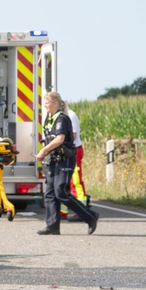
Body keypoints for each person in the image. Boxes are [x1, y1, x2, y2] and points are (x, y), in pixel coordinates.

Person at [34, 92, 98, 236]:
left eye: (47, 102)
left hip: (64, 159)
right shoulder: (49, 118)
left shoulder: (62, 119)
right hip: (53, 159)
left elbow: (60, 139)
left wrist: (43, 151)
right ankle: (52, 226)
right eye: (44, 102)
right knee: (50, 193)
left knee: (61, 192)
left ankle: (90, 216)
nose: (45, 105)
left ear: (56, 103)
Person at [65, 105, 90, 218]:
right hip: (67, 150)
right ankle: (63, 211)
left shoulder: (70, 115)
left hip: (74, 150)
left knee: (75, 181)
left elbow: (73, 136)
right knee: (66, 181)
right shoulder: (64, 115)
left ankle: (81, 211)